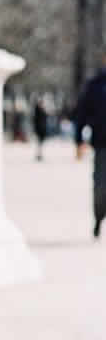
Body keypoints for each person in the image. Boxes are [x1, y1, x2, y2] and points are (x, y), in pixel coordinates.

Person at [74, 50, 106, 239]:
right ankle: (98, 217)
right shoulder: (95, 85)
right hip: (102, 146)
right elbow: (82, 114)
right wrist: (79, 141)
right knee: (101, 187)